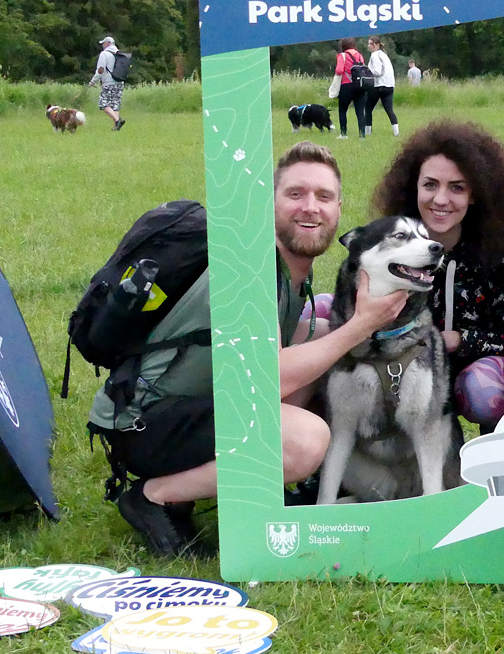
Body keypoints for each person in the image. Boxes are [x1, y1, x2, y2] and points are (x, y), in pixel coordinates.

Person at [88, 142, 408, 555]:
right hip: (146, 424)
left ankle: (276, 485)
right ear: (270, 203)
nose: (310, 207)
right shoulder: (251, 269)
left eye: (324, 196)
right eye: (295, 194)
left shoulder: (289, 271)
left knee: (327, 338)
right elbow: (268, 379)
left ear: (338, 209)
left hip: (193, 410)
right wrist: (363, 325)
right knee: (305, 439)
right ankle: (156, 495)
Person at [373, 120, 504, 433]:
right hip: (414, 371)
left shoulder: (500, 253)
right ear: (413, 187)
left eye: (457, 187)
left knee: (482, 389)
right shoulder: (390, 250)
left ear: (474, 194)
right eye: (430, 185)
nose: (440, 199)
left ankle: (501, 453)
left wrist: (459, 340)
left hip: (486, 373)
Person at [88, 36, 126, 131]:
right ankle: (116, 127)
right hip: (120, 82)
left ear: (107, 43)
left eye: (103, 43)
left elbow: (100, 70)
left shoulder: (104, 54)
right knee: (115, 105)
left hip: (109, 82)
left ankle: (117, 120)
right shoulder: (119, 54)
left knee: (103, 104)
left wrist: (93, 81)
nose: (102, 45)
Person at [365, 37, 399, 137]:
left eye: (370, 44)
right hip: (389, 85)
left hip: (379, 85)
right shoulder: (384, 55)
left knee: (368, 108)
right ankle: (396, 132)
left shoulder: (374, 56)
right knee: (389, 109)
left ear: (376, 45)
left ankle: (367, 131)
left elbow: (377, 71)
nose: (368, 46)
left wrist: (367, 71)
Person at [334, 38, 367, 139]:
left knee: (343, 110)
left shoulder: (342, 56)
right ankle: (362, 135)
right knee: (360, 111)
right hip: (360, 85)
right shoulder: (360, 55)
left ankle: (343, 134)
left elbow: (339, 70)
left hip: (346, 85)